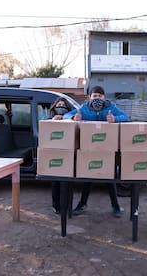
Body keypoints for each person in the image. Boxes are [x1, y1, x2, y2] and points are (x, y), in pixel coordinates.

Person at [63, 85, 129, 218]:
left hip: (108, 149)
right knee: (88, 177)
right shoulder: (84, 108)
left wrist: (115, 119)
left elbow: (126, 117)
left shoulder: (111, 107)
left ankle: (115, 206)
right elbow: (67, 115)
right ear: (90, 97)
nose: (97, 98)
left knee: (109, 177)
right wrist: (73, 118)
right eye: (94, 96)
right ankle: (82, 204)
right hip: (89, 149)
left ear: (104, 97)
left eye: (99, 96)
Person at [49, 97, 75, 214]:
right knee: (56, 182)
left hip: (68, 153)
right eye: (58, 105)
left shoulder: (71, 118)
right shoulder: (48, 120)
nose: (61, 107)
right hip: (54, 153)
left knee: (68, 182)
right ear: (54, 107)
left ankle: (68, 206)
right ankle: (56, 206)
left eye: (63, 106)